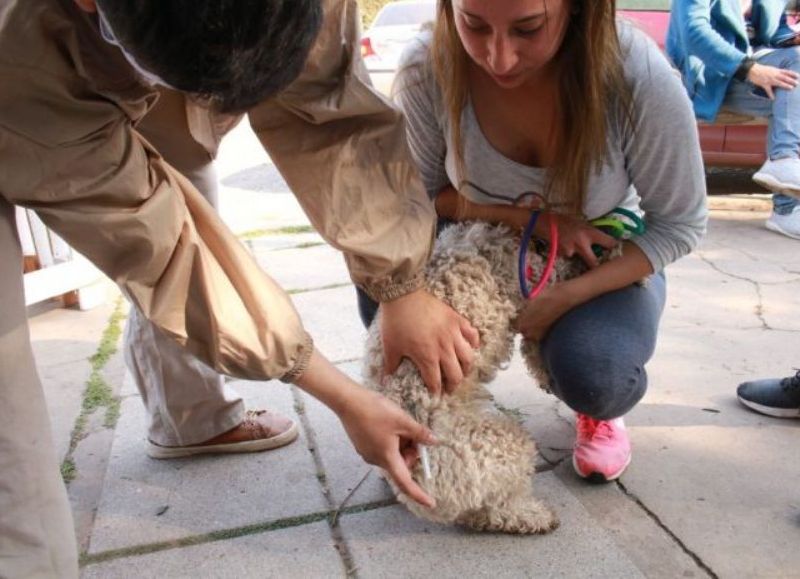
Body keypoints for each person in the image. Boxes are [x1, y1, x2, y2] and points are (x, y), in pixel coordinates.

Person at [0, 0, 482, 576]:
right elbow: (166, 252)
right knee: (10, 435)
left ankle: (192, 417)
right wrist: (344, 397)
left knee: (190, 164)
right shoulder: (22, 57)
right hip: (22, 84)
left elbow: (328, 110)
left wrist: (402, 284)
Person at [357, 0, 708, 484]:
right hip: (476, 238)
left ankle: (598, 410)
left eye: (528, 29)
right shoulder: (427, 63)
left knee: (597, 374)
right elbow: (418, 200)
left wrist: (564, 298)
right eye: (474, 25)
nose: (498, 58)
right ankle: (424, 409)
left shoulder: (637, 75)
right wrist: (528, 219)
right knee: (384, 284)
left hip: (594, 254)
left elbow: (681, 223)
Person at [667, 0, 800, 240]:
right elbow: (693, 32)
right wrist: (749, 69)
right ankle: (785, 170)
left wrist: (792, 39)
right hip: (709, 75)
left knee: (794, 85)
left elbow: (774, 32)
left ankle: (787, 208)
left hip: (753, 73)